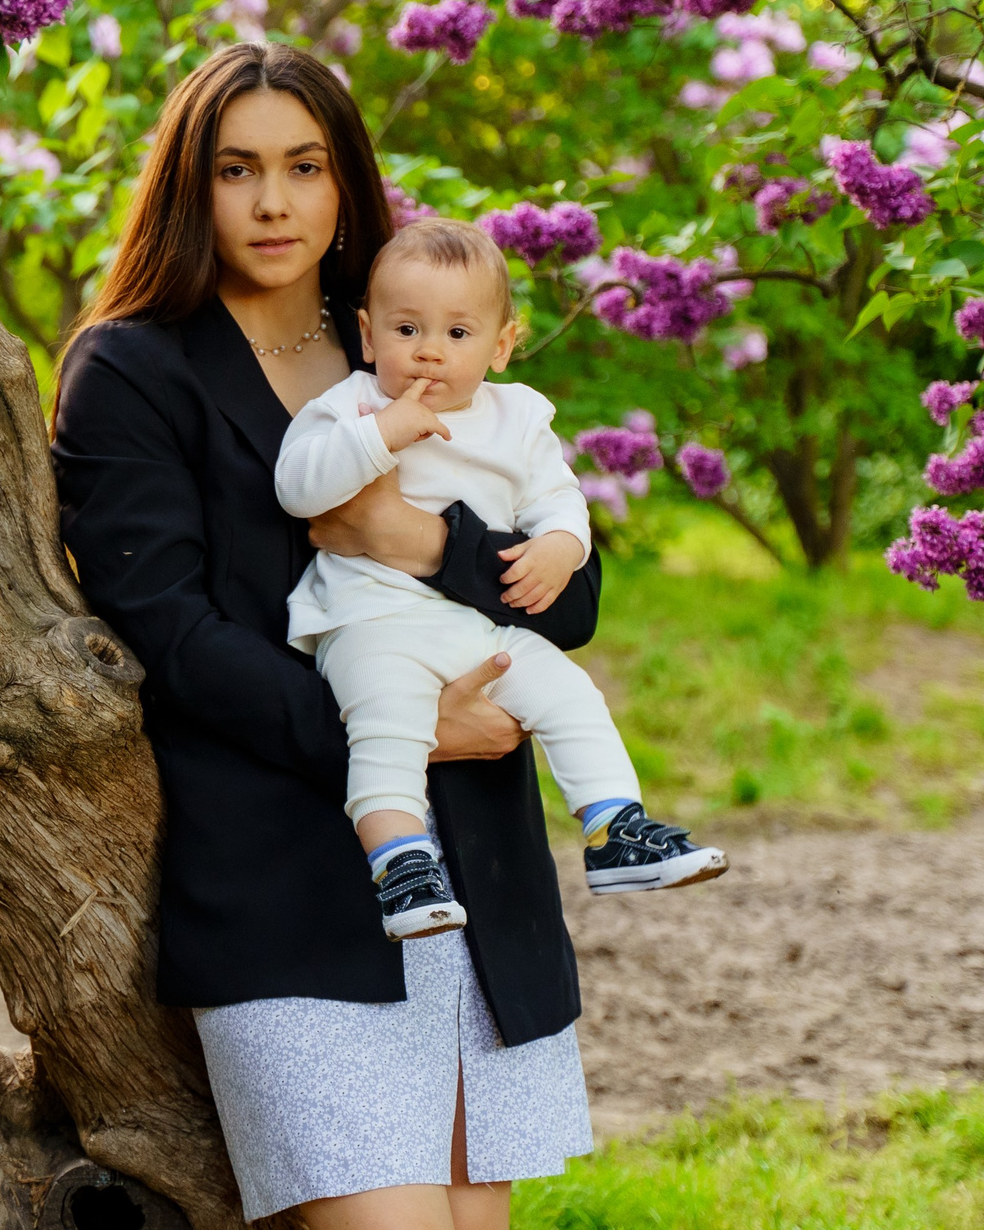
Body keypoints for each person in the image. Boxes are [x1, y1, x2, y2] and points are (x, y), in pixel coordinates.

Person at [52, 42, 598, 1230]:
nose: (273, 202)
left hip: (474, 864)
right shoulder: (133, 367)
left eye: (303, 166)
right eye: (237, 169)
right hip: (280, 872)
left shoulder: (413, 326)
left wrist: (419, 540)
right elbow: (166, 631)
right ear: (192, 185)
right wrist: (395, 736)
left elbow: (564, 593)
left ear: (346, 182)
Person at [275, 216, 727, 940]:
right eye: (406, 329)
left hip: (477, 627)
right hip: (369, 623)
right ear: (367, 335)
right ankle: (400, 863)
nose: (429, 351)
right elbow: (297, 489)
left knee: (569, 692)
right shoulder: (351, 407)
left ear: (502, 343)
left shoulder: (516, 416)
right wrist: (379, 435)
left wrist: (558, 544)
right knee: (387, 728)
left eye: (458, 334)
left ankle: (615, 827)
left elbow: (558, 496)